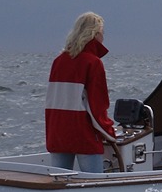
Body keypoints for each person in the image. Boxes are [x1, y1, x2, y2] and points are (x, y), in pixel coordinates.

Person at [46, 12, 115, 172]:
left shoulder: (58, 61)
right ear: (95, 34)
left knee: (60, 181)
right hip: (83, 134)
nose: (103, 38)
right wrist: (110, 132)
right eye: (102, 33)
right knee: (94, 183)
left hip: (57, 132)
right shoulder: (93, 63)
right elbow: (97, 106)